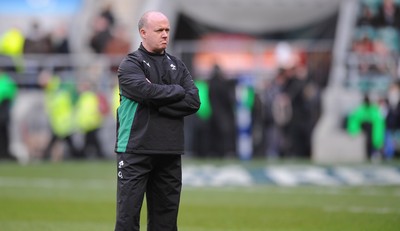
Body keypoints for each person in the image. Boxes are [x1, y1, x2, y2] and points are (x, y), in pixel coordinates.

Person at [114, 11, 200, 231]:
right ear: (143, 33)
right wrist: (176, 91)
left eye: (167, 30)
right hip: (135, 149)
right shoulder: (130, 64)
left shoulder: (177, 65)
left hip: (169, 151)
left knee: (166, 223)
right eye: (159, 30)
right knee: (127, 219)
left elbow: (193, 102)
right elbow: (145, 92)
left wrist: (157, 98)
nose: (165, 35)